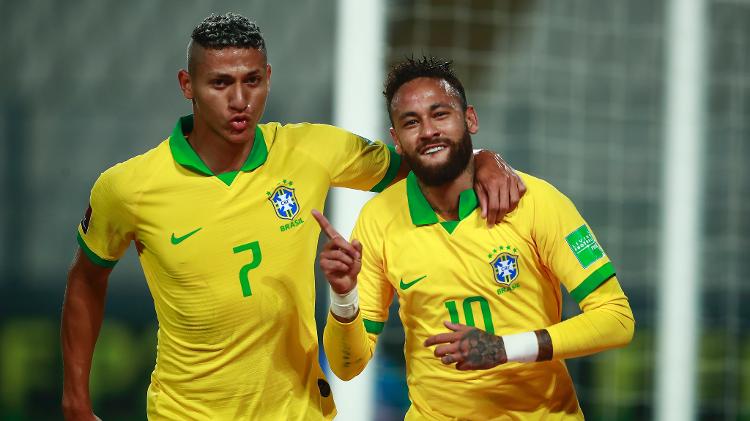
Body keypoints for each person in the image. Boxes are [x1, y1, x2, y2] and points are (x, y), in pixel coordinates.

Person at [60, 14, 525, 421]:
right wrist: (76, 400)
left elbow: (427, 161)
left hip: (298, 410)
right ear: (187, 85)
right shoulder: (128, 187)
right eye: (220, 83)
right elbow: (86, 279)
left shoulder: (310, 150)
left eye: (252, 81)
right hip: (186, 412)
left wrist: (482, 157)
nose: (239, 99)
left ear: (268, 77)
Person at [317, 56, 635, 420]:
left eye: (440, 114)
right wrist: (344, 296)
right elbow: (347, 366)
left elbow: (617, 319)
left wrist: (504, 348)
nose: (428, 130)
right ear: (397, 141)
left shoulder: (535, 201)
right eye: (411, 122)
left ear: (470, 119)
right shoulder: (378, 219)